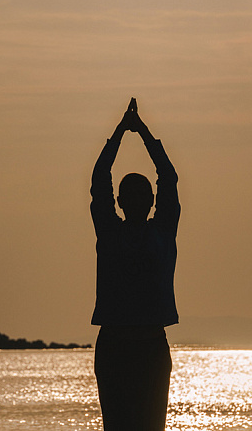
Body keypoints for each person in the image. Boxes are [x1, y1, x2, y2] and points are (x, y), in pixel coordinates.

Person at [90, 98, 180, 431]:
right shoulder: (115, 232)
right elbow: (102, 180)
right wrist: (132, 130)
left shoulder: (156, 231)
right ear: (122, 202)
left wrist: (131, 131)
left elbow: (165, 179)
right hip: (119, 346)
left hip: (146, 346)